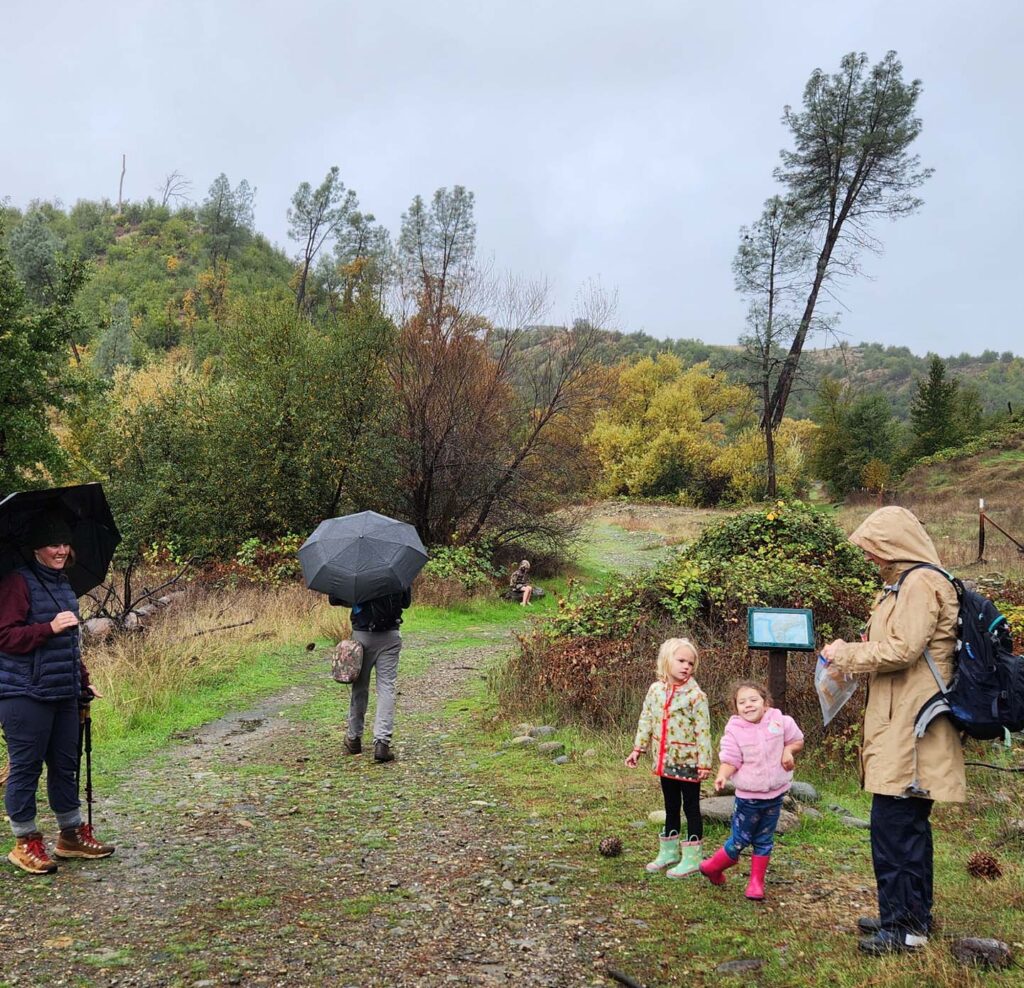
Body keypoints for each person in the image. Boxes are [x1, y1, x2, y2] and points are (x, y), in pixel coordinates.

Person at [821, 505, 964, 955]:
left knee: (896, 827)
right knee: (903, 826)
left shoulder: (921, 583)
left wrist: (846, 654)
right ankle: (908, 917)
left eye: (874, 547)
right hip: (901, 719)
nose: (869, 556)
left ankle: (904, 929)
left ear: (893, 544)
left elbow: (903, 649)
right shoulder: (903, 584)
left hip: (913, 724)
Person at [0, 512, 114, 875]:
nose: (61, 550)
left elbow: (70, 644)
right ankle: (25, 843)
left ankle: (70, 836)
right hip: (24, 693)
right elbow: (5, 637)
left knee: (66, 765)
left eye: (65, 543)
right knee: (26, 768)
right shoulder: (17, 583)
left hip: (62, 691)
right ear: (37, 548)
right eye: (53, 544)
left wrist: (83, 681)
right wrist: (47, 627)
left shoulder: (63, 585)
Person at [699, 681, 804, 900]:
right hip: (749, 799)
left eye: (754, 700)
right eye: (742, 702)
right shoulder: (735, 730)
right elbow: (730, 759)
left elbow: (797, 740)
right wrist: (722, 775)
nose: (748, 705)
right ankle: (712, 867)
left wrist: (788, 751)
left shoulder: (780, 721)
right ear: (736, 708)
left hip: (775, 796)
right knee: (740, 840)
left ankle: (756, 883)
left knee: (765, 840)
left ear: (765, 703)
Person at [625, 637, 712, 878]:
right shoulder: (656, 690)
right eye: (681, 660)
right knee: (670, 805)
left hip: (689, 761)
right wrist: (638, 748)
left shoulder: (696, 696)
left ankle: (693, 858)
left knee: (691, 807)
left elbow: (703, 731)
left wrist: (704, 763)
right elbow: (646, 719)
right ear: (666, 660)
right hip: (665, 760)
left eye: (690, 663)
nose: (686, 666)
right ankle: (669, 852)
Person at [329, 587, 411, 763]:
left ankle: (354, 738)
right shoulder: (395, 573)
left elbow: (334, 599)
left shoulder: (356, 574)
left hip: (362, 636)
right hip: (390, 636)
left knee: (359, 687)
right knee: (386, 688)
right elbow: (406, 602)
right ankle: (382, 743)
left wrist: (358, 600)